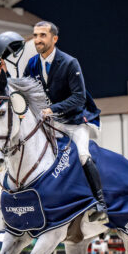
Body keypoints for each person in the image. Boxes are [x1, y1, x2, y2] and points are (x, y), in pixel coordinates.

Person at [17, 22, 106, 222]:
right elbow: (20, 89)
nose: (37, 40)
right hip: (50, 123)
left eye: (42, 35)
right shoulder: (32, 64)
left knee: (83, 155)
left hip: (74, 121)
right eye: (35, 35)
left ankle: (100, 202)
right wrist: (3, 72)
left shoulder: (69, 62)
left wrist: (53, 109)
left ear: (54, 39)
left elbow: (79, 97)